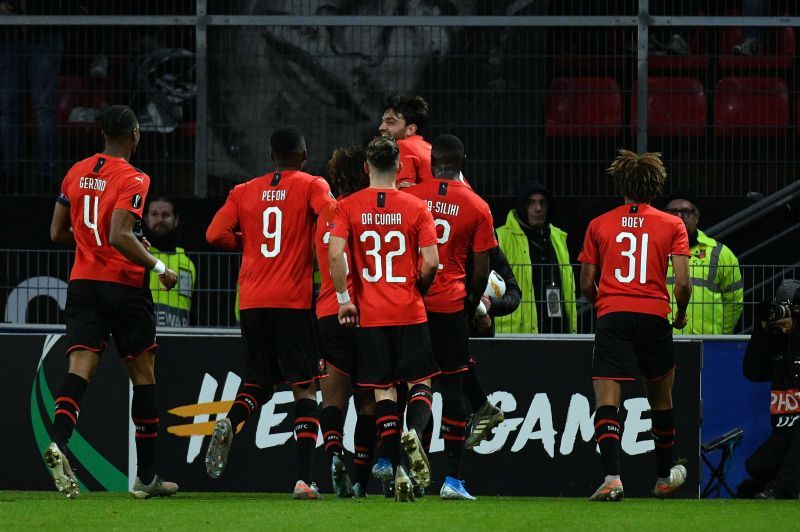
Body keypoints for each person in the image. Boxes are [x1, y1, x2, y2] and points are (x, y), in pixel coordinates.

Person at [46, 105, 179, 499]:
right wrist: (158, 266)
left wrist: (91, 242)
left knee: (80, 368)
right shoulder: (133, 177)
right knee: (144, 375)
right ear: (135, 134)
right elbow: (121, 234)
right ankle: (147, 479)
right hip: (123, 285)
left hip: (83, 284)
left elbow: (57, 231)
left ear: (102, 132)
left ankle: (58, 441)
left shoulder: (75, 171)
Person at [204, 125, 335, 500]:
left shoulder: (244, 190)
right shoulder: (312, 184)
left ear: (270, 156)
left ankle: (230, 421)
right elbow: (330, 218)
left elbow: (214, 235)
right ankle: (303, 480)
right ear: (304, 154)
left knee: (260, 382)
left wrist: (250, 242)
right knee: (304, 386)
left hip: (252, 301)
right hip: (292, 301)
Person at [329, 135, 440, 502]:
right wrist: (417, 287)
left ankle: (391, 463)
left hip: (371, 315)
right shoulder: (416, 207)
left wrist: (345, 300)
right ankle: (414, 435)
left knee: (384, 391)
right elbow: (432, 261)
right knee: (421, 383)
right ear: (399, 167)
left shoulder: (347, 207)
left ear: (366, 168)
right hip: (409, 309)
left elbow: (335, 254)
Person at [578, 149, 692, 501]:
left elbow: (585, 283)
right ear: (655, 185)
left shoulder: (599, 224)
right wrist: (681, 312)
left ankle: (612, 477)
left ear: (621, 183)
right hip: (655, 316)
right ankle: (662, 478)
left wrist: (606, 306)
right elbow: (684, 283)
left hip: (614, 315)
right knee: (661, 398)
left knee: (607, 398)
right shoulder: (673, 224)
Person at [406, 134, 496, 500]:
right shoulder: (476, 205)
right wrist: (469, 304)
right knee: (453, 391)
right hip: (450, 306)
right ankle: (453, 481)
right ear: (463, 161)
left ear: (431, 163)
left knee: (416, 387)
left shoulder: (409, 198)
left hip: (411, 307)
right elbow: (481, 270)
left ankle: (412, 473)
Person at [315, 144, 375, 498]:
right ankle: (362, 482)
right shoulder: (368, 211)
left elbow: (315, 261)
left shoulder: (322, 214)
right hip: (366, 313)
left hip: (327, 312)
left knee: (332, 400)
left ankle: (335, 454)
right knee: (368, 401)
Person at [0, 1, 77, 194]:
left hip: (44, 31)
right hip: (8, 35)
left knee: (43, 109)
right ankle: (10, 176)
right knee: (9, 108)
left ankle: (44, 176)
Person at [738, 279, 800, 499]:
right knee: (757, 467)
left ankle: (782, 491)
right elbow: (753, 372)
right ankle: (775, 486)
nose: (782, 314)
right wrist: (762, 329)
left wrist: (795, 332)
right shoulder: (776, 340)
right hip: (785, 429)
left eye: (787, 309)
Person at [495, 179, 577, 334]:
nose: (538, 208)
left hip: (557, 328)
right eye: (531, 203)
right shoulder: (501, 238)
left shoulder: (558, 237)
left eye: (542, 203)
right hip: (517, 333)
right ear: (521, 207)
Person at [663, 190, 743, 335]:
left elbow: (734, 301)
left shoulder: (720, 253)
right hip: (664, 340)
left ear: (697, 217)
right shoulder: (654, 250)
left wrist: (720, 336)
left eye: (686, 212)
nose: (679, 217)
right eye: (673, 212)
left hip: (707, 343)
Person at [144, 196, 196, 327]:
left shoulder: (187, 263)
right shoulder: (140, 256)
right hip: (144, 335)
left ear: (176, 220)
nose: (160, 220)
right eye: (154, 214)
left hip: (180, 337)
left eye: (166, 215)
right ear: (145, 218)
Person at [378, 94, 433, 187]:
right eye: (382, 122)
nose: (381, 127)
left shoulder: (403, 145)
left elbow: (405, 194)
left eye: (390, 122)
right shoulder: (429, 147)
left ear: (411, 129)